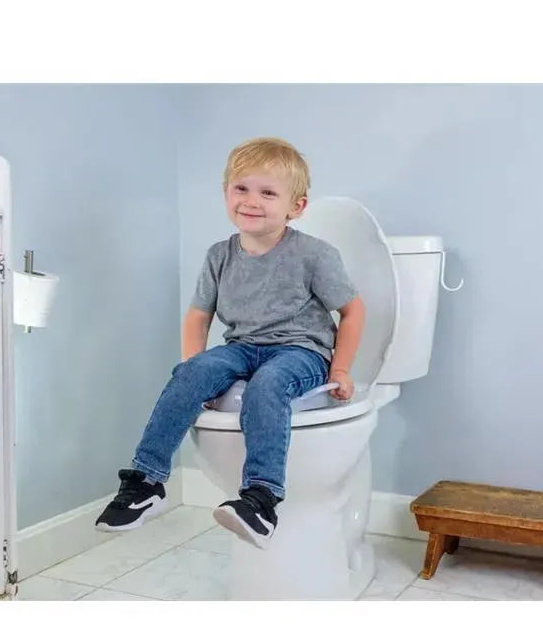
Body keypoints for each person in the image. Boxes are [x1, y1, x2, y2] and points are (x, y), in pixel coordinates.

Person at [95, 137, 365, 547]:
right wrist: (196, 372)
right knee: (190, 372)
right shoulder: (219, 255)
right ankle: (147, 482)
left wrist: (341, 368)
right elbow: (198, 316)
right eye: (241, 188)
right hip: (242, 348)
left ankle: (262, 498)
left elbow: (353, 311)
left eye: (268, 193)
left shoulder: (314, 254)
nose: (251, 201)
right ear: (226, 193)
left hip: (301, 351)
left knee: (267, 385)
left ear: (296, 207)